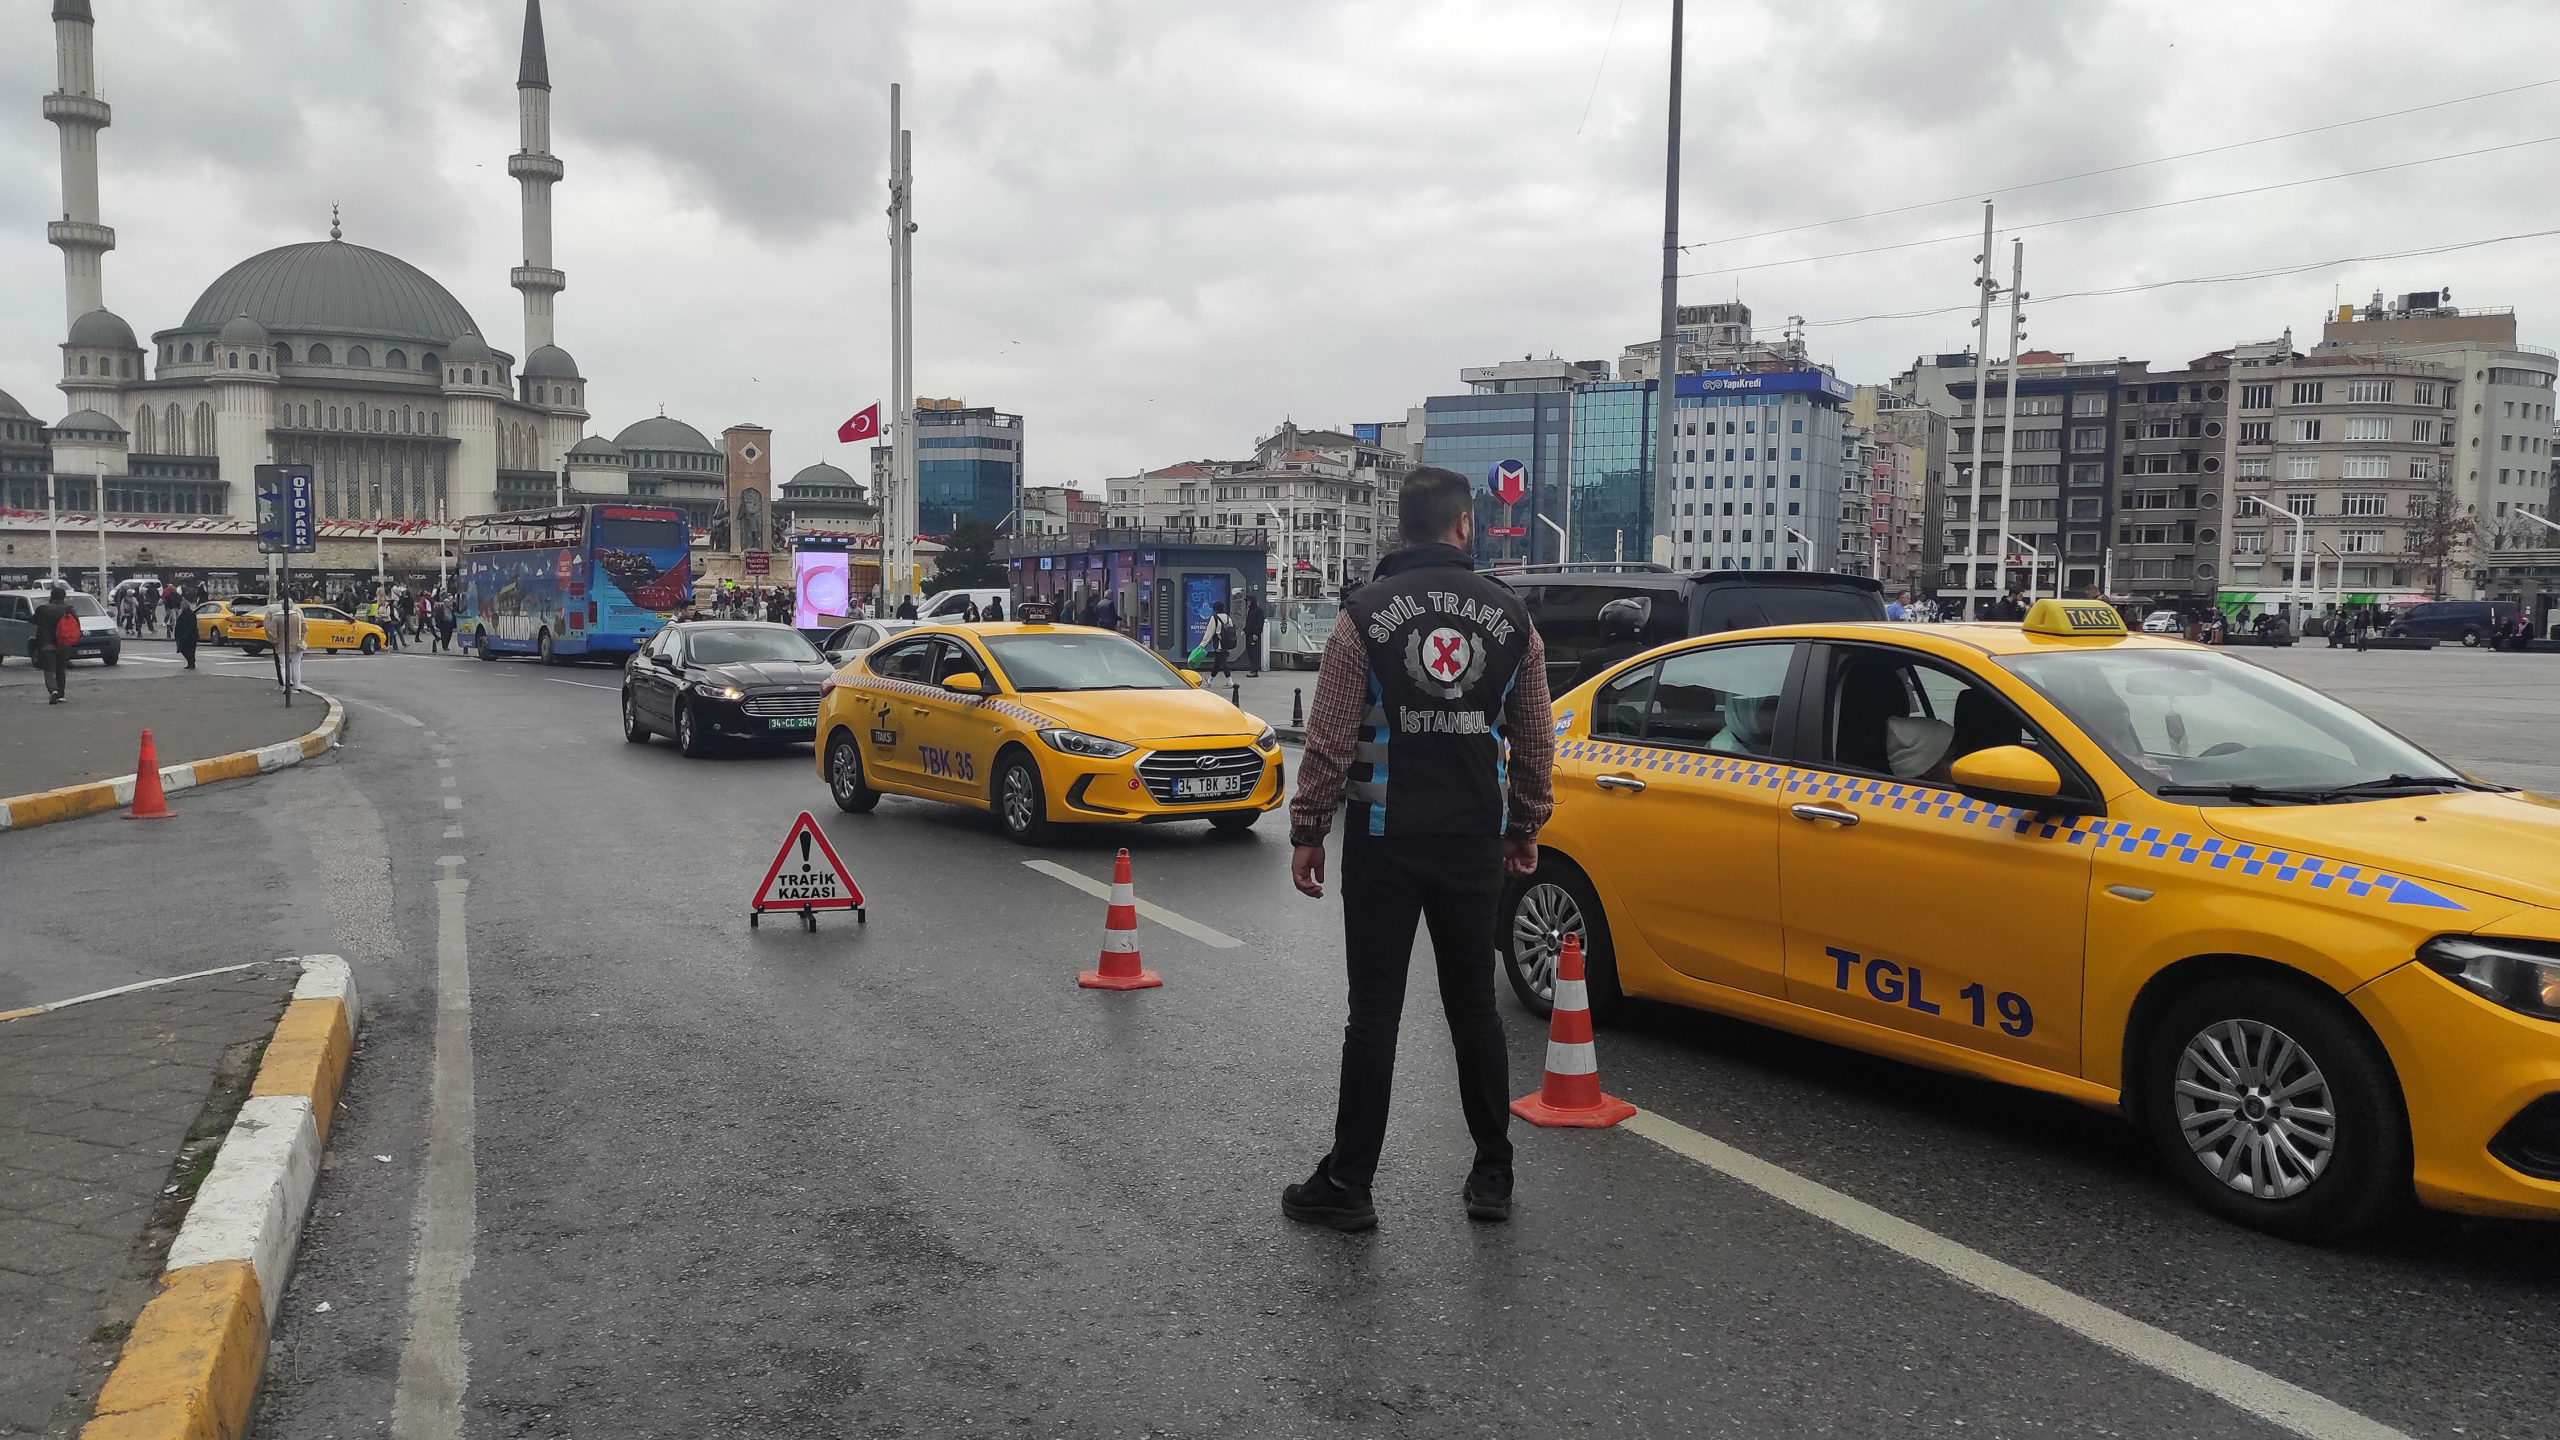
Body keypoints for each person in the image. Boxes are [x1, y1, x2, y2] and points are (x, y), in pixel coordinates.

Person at [1283, 466, 1555, 1231]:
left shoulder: (1362, 616)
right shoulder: (1513, 617)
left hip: (1384, 842)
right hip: (1472, 843)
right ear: (1465, 525)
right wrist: (1525, 825)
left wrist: (1308, 829)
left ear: (1400, 527)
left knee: (1373, 1014)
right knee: (1474, 1010)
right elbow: (1536, 738)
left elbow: (1330, 736)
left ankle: (1350, 1184)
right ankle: (1492, 1173)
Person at [1570, 596, 1653, 689]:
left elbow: (1571, 688)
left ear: (1609, 628)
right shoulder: (1654, 656)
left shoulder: (1594, 658)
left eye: (1603, 626)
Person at [31, 582, 75, 703]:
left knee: (49, 669)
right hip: (63, 643)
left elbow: (33, 620)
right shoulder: (69, 610)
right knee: (61, 669)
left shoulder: (42, 609)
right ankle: (61, 694)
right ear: (63, 597)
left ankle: (53, 690)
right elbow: (75, 624)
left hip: (46, 644)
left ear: (51, 596)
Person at [1201, 601, 1235, 677]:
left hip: (1219, 644)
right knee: (1217, 663)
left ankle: (1230, 680)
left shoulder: (1214, 618)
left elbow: (1209, 632)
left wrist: (1202, 644)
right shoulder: (1228, 618)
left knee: (1223, 662)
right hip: (1227, 643)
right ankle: (1210, 680)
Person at [172, 590, 198, 670]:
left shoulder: (191, 614)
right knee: (183, 649)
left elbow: (192, 626)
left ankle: (191, 663)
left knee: (189, 650)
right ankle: (190, 662)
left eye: (182, 605)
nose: (181, 606)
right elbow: (178, 624)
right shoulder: (182, 613)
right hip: (182, 635)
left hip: (189, 636)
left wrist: (186, 634)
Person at [1241, 594, 1265, 676]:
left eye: (1249, 601)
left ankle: (1255, 670)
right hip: (1249, 635)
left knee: (1254, 652)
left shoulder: (1258, 610)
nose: (1247, 603)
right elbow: (1249, 623)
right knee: (1250, 652)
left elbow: (1259, 623)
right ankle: (1253, 669)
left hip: (1254, 635)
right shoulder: (1250, 610)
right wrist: (1244, 630)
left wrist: (1256, 634)